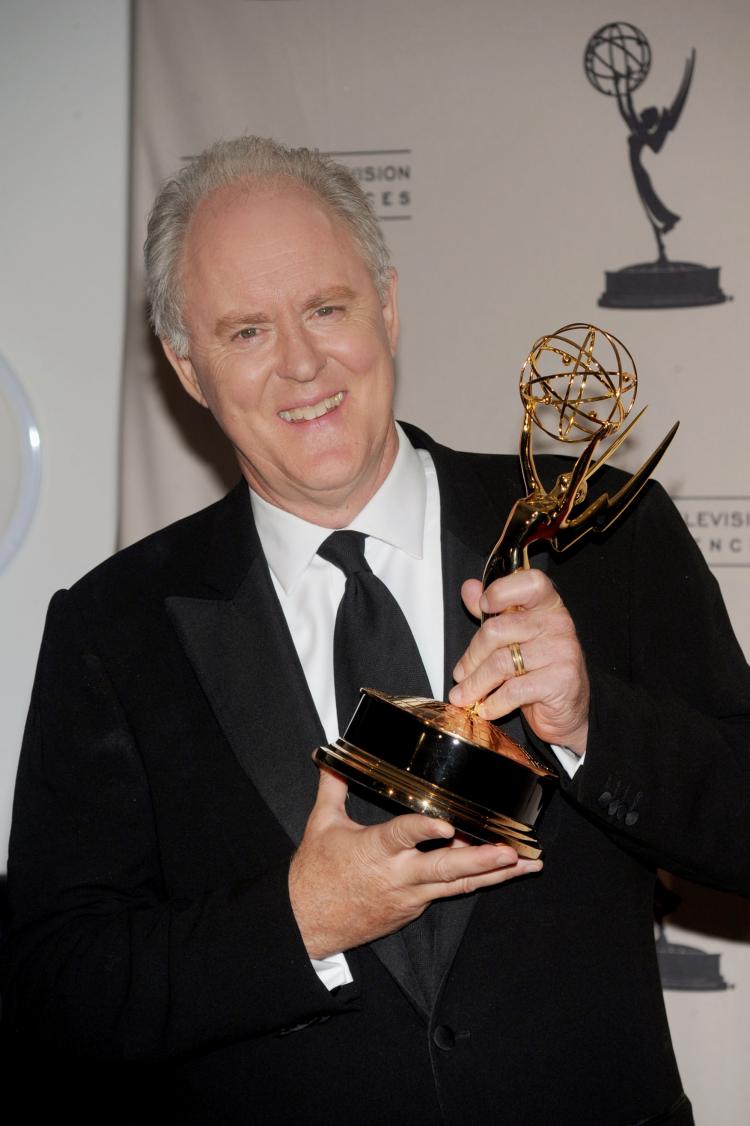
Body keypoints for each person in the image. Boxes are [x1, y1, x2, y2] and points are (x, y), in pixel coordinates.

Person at [5, 136, 750, 1126]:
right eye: (246, 331)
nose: (303, 365)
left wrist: (588, 721)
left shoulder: (603, 535)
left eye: (326, 308)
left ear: (387, 305)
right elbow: (57, 985)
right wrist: (296, 921)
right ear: (187, 367)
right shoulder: (115, 630)